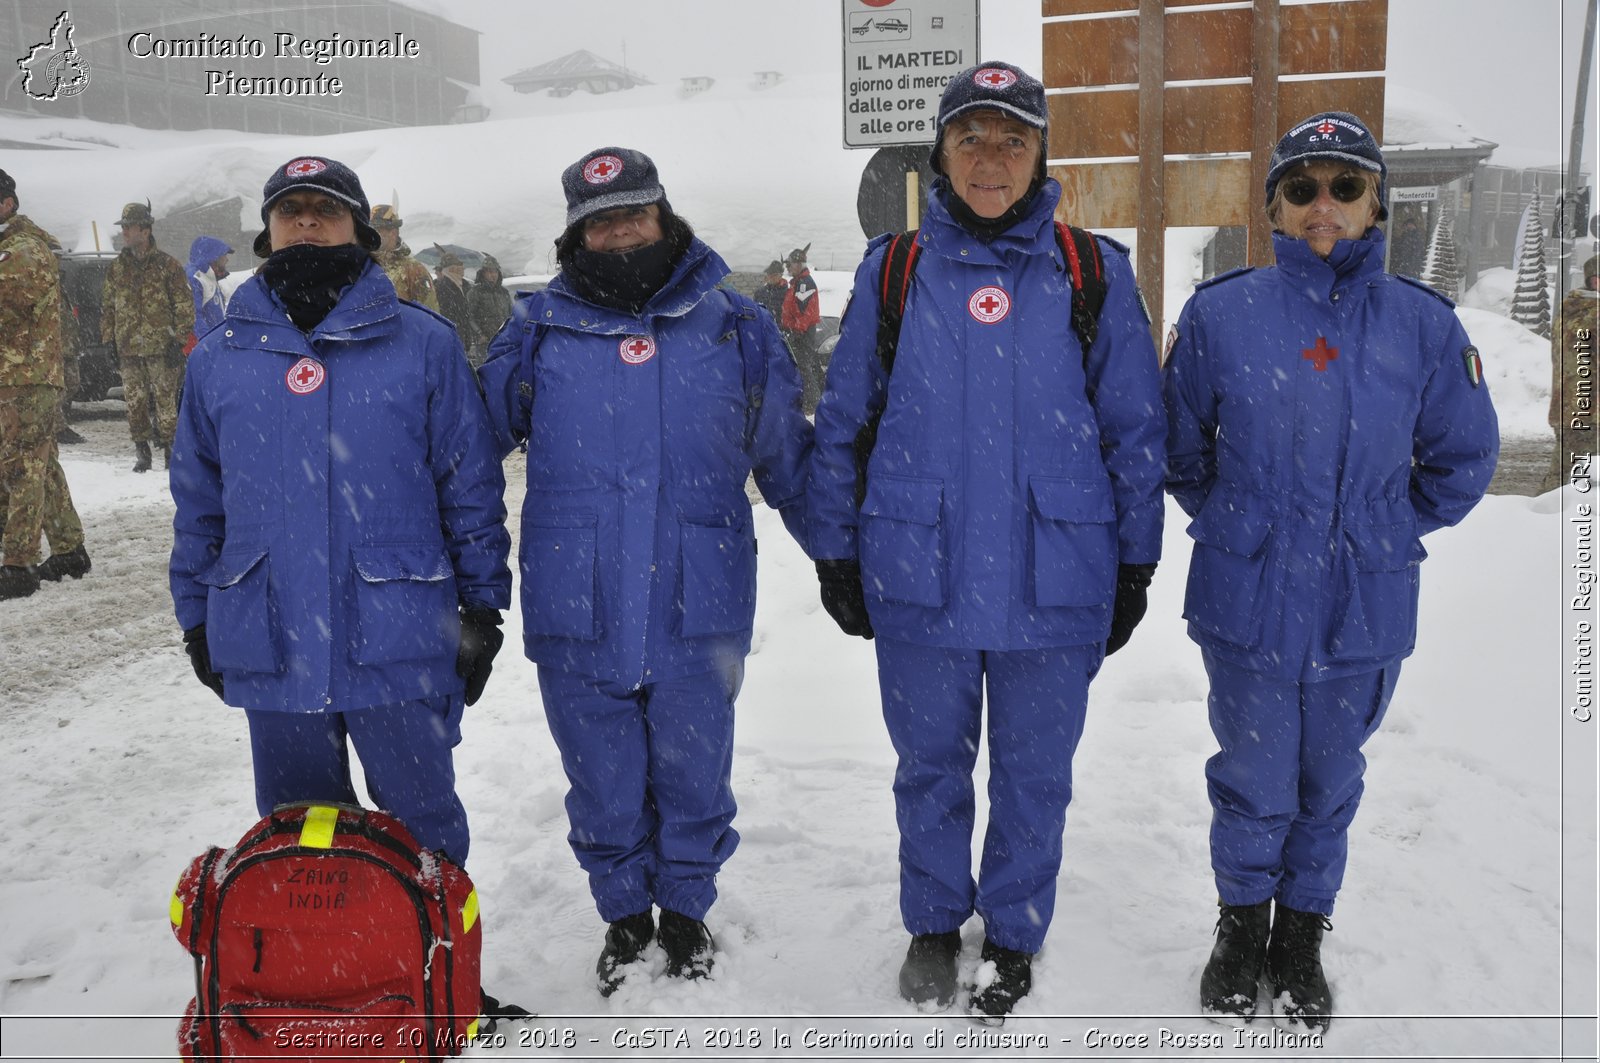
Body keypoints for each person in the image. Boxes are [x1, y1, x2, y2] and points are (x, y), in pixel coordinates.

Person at [808, 62, 1165, 1020]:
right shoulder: (896, 270)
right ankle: (932, 919)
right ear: (942, 155)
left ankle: (1012, 930)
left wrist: (1136, 558)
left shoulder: (1092, 271)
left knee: (1034, 771)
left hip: (1059, 574)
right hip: (919, 567)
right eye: (972, 138)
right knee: (928, 762)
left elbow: (1135, 428)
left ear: (1042, 152)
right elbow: (845, 422)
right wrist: (836, 550)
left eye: (1013, 138)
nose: (992, 158)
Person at [1163, 112, 1500, 1032]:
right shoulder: (1220, 314)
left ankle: (1301, 935)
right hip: (1249, 597)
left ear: (1375, 202)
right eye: (1303, 187)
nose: (1324, 206)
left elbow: (1463, 460)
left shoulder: (1425, 328)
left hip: (1364, 603)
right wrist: (1243, 526)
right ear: (1274, 203)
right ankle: (1240, 929)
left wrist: (1379, 530)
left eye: (1345, 187)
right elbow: (1181, 452)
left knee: (1328, 781)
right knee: (1252, 775)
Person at [478, 146, 812, 997]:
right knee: (601, 771)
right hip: (574, 591)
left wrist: (842, 556)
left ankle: (688, 909)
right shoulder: (537, 330)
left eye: (634, 211)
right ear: (575, 234)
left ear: (665, 215)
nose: (620, 229)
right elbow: (467, 446)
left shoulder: (735, 326)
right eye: (600, 218)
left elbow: (788, 460)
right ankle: (625, 914)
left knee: (695, 766)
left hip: (699, 593)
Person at [169, 155, 511, 876]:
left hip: (401, 633)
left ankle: (440, 979)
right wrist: (197, 615)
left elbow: (469, 486)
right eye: (289, 211)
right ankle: (334, 988)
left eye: (324, 210)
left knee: (425, 836)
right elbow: (199, 504)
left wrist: (482, 605)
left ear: (359, 229)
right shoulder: (219, 360)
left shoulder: (425, 345)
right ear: (266, 232)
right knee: (301, 844)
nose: (306, 223)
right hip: (272, 638)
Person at [0, 168, 90, 600]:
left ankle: (18, 566)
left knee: (20, 468)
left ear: (7, 204)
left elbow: (9, 305)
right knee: (41, 465)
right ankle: (70, 550)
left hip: (25, 377)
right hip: (15, 376)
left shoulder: (23, 250)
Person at [101, 201, 193, 472]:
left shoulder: (167, 265)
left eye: (129, 227)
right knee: (135, 402)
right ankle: (142, 452)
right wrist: (109, 340)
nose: (124, 232)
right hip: (128, 347)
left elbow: (184, 305)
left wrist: (179, 341)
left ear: (145, 229)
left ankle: (171, 452)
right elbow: (107, 307)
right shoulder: (117, 268)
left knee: (166, 403)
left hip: (162, 347)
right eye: (124, 227)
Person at [1541, 253, 1598, 492]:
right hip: (1586, 410)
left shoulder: (1571, 310)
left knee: (1565, 471)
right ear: (1593, 281)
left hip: (1572, 408)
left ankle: (1539, 516)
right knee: (1580, 477)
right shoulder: (1590, 313)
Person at [779, 244, 824, 413]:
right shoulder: (798, 282)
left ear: (798, 265)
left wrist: (797, 330)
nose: (788, 268)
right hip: (797, 331)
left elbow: (806, 311)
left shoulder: (804, 283)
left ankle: (812, 402)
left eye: (789, 265)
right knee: (801, 366)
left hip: (802, 332)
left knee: (804, 366)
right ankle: (807, 400)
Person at [370, 203, 440, 310]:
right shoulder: (364, 264)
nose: (372, 234)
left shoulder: (414, 270)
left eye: (377, 229)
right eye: (370, 229)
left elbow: (430, 313)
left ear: (393, 233)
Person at [466, 254, 512, 368]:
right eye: (489, 272)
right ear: (483, 273)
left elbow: (511, 315)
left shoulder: (504, 293)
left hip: (503, 341)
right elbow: (469, 316)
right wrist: (480, 334)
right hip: (484, 343)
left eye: (495, 271)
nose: (493, 275)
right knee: (486, 372)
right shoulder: (475, 292)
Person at [185, 236, 233, 340]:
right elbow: (194, 316)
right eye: (224, 255)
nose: (227, 260)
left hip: (212, 342)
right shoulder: (196, 278)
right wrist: (207, 342)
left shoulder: (210, 277)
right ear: (213, 257)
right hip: (200, 345)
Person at [432, 248, 475, 352]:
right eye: (456, 267)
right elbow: (442, 313)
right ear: (449, 269)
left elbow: (468, 312)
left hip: (464, 336)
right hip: (450, 336)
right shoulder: (441, 288)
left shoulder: (465, 286)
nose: (461, 269)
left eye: (461, 266)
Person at [753, 259, 787, 323]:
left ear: (781, 275)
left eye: (775, 275)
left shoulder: (787, 292)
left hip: (779, 329)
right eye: (770, 274)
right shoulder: (759, 292)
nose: (772, 277)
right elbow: (754, 310)